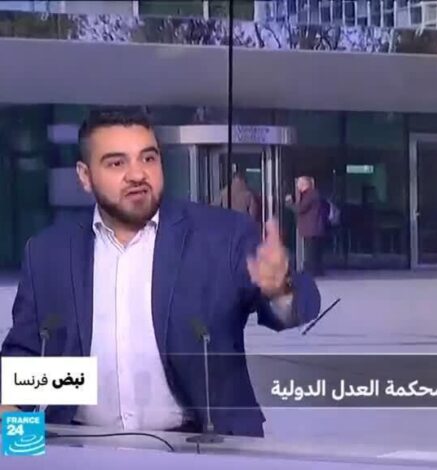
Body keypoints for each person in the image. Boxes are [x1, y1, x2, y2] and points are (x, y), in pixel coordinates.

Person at [0, 109, 321, 437]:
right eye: (117, 163)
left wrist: (280, 290)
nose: (137, 174)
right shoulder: (49, 252)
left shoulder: (222, 235)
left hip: (202, 446)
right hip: (81, 444)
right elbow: (28, 354)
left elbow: (299, 308)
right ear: (85, 176)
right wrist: (12, 420)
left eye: (148, 158)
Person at [285, 176, 325, 277]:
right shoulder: (312, 194)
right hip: (312, 228)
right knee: (313, 251)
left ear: (304, 185)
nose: (297, 186)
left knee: (310, 251)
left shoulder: (310, 195)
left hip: (311, 228)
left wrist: (290, 203)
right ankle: (316, 270)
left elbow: (300, 209)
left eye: (299, 184)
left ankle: (311, 271)